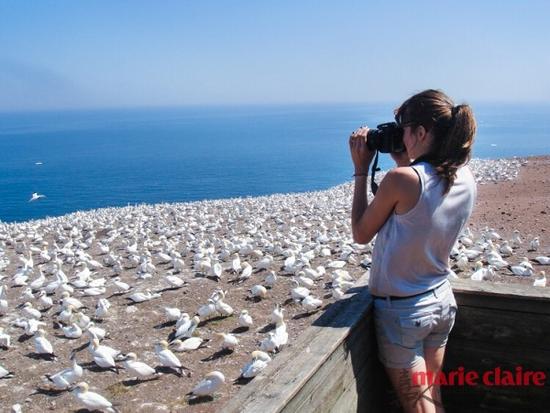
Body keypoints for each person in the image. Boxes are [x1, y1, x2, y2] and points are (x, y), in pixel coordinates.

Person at [349, 89, 477, 413]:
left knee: (418, 407)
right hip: (440, 301)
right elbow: (423, 204)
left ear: (421, 132)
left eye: (405, 128)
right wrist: (407, 158)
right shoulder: (464, 175)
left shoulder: (401, 180)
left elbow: (361, 233)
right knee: (433, 397)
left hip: (404, 313)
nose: (400, 134)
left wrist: (361, 170)